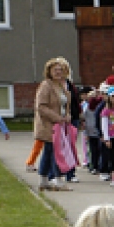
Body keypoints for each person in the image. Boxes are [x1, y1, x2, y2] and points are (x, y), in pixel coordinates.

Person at [33, 58, 71, 191]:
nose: (58, 72)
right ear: (49, 71)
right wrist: (57, 118)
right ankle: (58, 179)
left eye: (60, 70)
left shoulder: (62, 86)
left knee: (49, 151)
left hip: (61, 125)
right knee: (56, 152)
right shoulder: (46, 85)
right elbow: (41, 107)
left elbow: (65, 104)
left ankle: (44, 180)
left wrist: (67, 115)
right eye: (55, 70)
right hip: (49, 125)